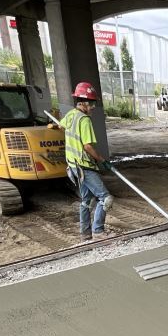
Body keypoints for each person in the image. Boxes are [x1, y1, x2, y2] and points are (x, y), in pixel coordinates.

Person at [59, 82, 114, 241]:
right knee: (106, 198)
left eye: (94, 102)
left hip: (74, 167)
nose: (93, 106)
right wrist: (102, 160)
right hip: (85, 166)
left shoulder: (70, 115)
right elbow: (88, 146)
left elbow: (60, 126)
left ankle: (85, 233)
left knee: (87, 200)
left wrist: (52, 125)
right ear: (81, 102)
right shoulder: (84, 120)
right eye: (91, 103)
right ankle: (98, 230)